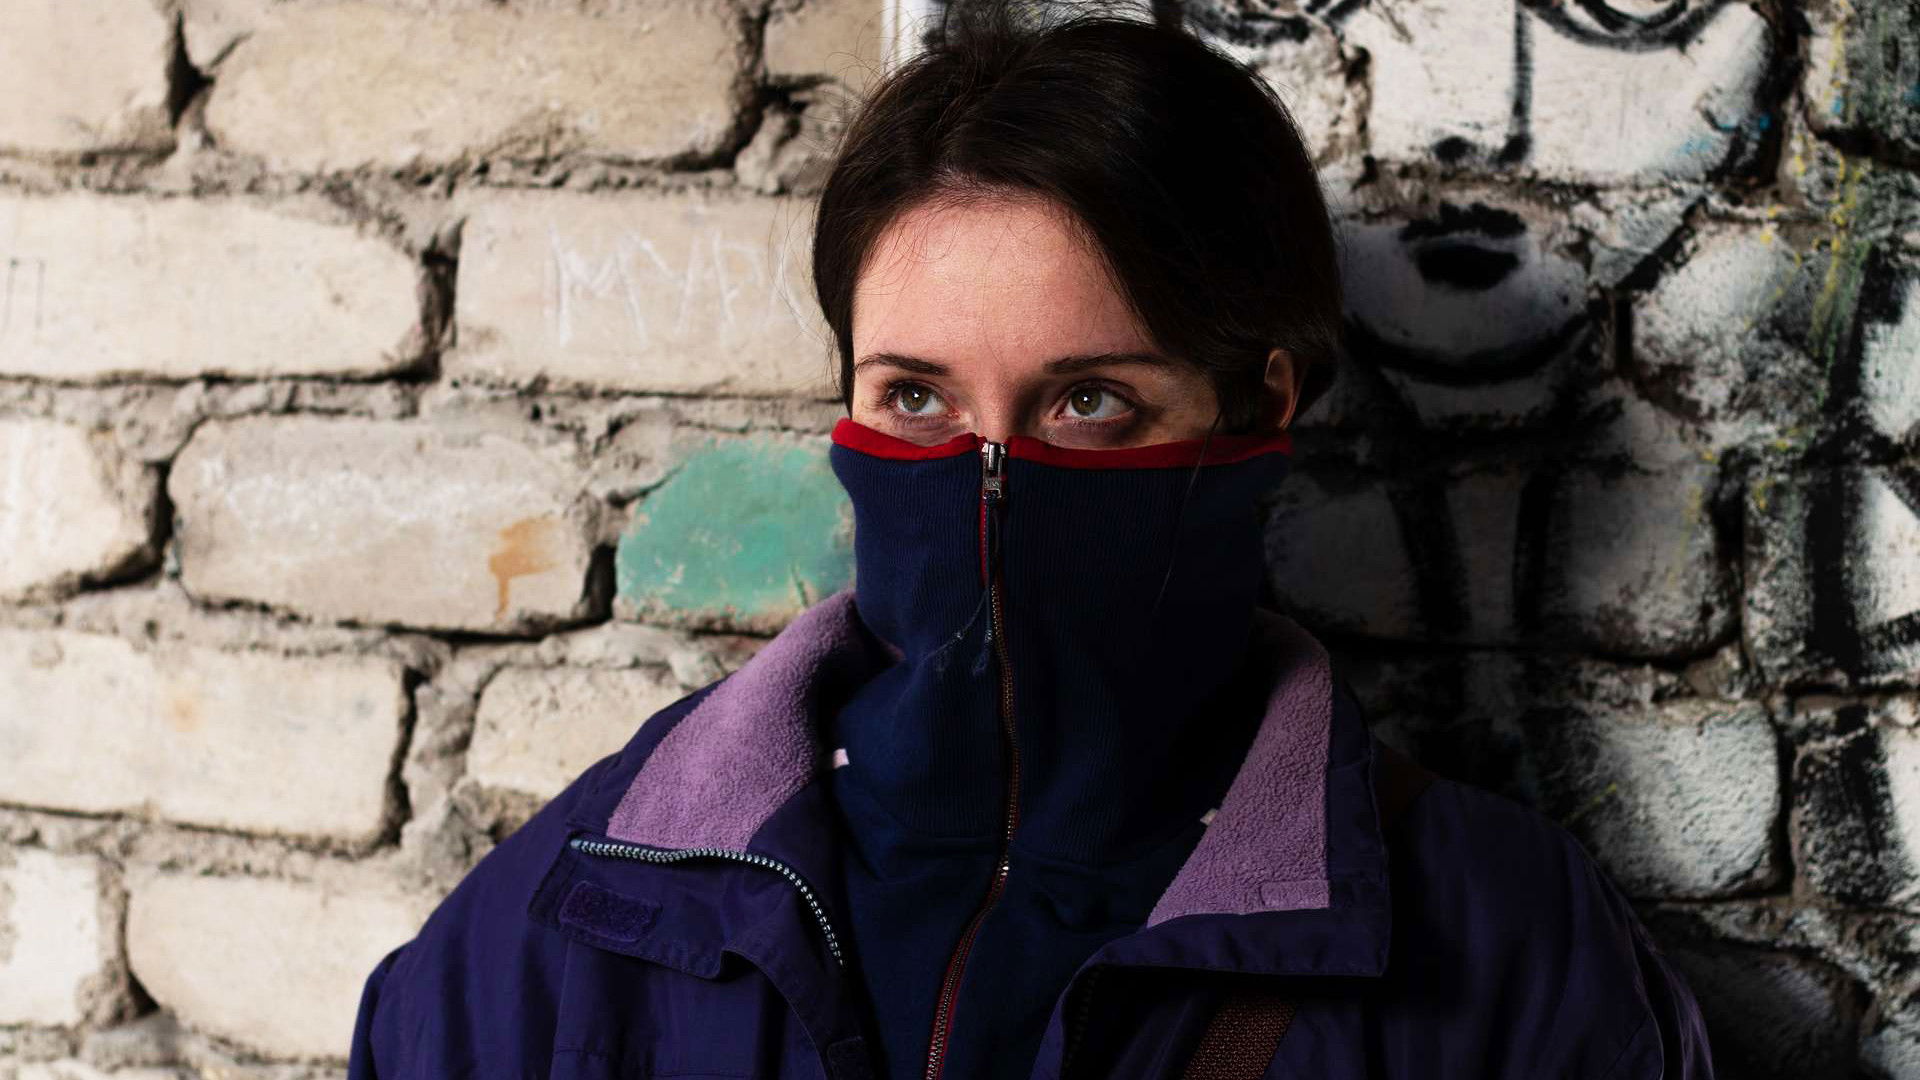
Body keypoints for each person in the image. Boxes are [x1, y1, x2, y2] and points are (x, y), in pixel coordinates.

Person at [346, 0, 1715, 1076]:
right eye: (916, 398)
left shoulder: (1504, 945)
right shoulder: (578, 908)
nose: (985, 478)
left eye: (1091, 400)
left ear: (1260, 406)